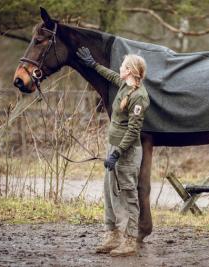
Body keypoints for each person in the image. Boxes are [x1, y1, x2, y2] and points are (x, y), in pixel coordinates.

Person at [76, 46, 150, 257]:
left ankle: (129, 240)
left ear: (130, 71)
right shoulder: (124, 87)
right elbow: (110, 75)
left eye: (123, 66)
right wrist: (93, 65)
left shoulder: (139, 97)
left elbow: (134, 129)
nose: (119, 68)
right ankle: (113, 235)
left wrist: (116, 153)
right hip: (114, 148)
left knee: (127, 195)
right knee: (109, 193)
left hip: (125, 153)